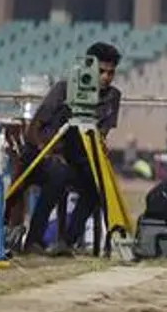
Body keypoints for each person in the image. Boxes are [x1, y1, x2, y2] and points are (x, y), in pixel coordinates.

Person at [21, 42, 122, 254]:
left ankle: (67, 242)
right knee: (57, 174)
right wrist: (46, 151)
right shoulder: (64, 89)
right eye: (100, 71)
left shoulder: (112, 97)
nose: (105, 77)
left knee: (96, 184)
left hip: (75, 158)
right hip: (42, 154)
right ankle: (33, 241)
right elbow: (33, 129)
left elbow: (101, 134)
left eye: (110, 73)